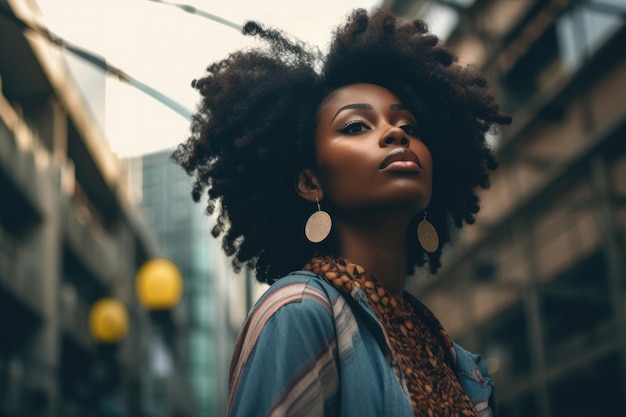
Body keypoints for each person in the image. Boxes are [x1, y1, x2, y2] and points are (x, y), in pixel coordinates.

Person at [172, 7, 511, 417]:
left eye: (409, 125)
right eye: (355, 126)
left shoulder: (453, 360)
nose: (397, 132)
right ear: (311, 183)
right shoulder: (300, 312)